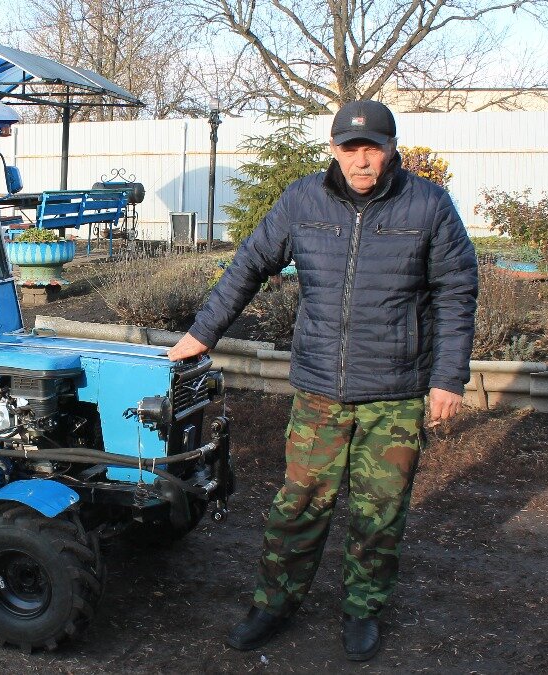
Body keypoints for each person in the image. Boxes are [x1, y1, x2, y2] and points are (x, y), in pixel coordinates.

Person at [168, 99, 478, 661]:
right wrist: (201, 334)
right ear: (334, 150)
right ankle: (274, 603)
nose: (361, 161)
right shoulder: (302, 200)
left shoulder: (428, 206)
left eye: (372, 149)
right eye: (349, 148)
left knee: (379, 512)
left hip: (396, 392)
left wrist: (448, 378)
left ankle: (363, 609)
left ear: (391, 150)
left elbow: (457, 294)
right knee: (299, 503)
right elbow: (248, 266)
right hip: (319, 389)